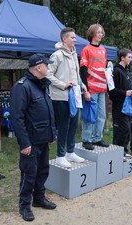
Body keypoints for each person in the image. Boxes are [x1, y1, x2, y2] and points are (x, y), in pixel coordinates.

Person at [10, 54, 57, 222]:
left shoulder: (42, 85)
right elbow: (17, 118)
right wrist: (24, 143)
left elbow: (48, 112)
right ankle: (24, 206)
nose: (49, 67)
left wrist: (52, 133)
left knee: (43, 171)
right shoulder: (22, 87)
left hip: (43, 138)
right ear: (38, 67)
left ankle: (39, 198)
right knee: (29, 174)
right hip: (30, 142)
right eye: (47, 65)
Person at [47, 27, 89, 168]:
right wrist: (63, 85)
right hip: (61, 97)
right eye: (72, 37)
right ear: (64, 39)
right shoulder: (57, 55)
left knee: (73, 125)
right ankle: (60, 156)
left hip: (74, 97)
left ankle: (70, 152)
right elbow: (48, 74)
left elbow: (76, 76)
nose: (75, 40)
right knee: (63, 127)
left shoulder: (73, 54)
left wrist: (82, 85)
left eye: (75, 37)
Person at [80, 24, 110, 150]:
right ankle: (86, 139)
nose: (101, 34)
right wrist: (85, 89)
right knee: (89, 115)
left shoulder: (103, 50)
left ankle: (97, 138)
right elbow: (83, 70)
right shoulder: (86, 49)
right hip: (91, 88)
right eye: (98, 32)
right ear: (92, 33)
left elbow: (103, 69)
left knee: (101, 115)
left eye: (102, 32)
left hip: (102, 88)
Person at [108, 48, 132, 157]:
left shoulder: (126, 71)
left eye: (131, 57)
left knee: (128, 129)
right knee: (121, 129)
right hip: (118, 105)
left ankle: (123, 151)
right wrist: (124, 93)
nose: (130, 60)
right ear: (122, 57)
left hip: (127, 105)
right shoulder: (116, 71)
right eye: (129, 57)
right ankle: (117, 153)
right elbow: (111, 91)